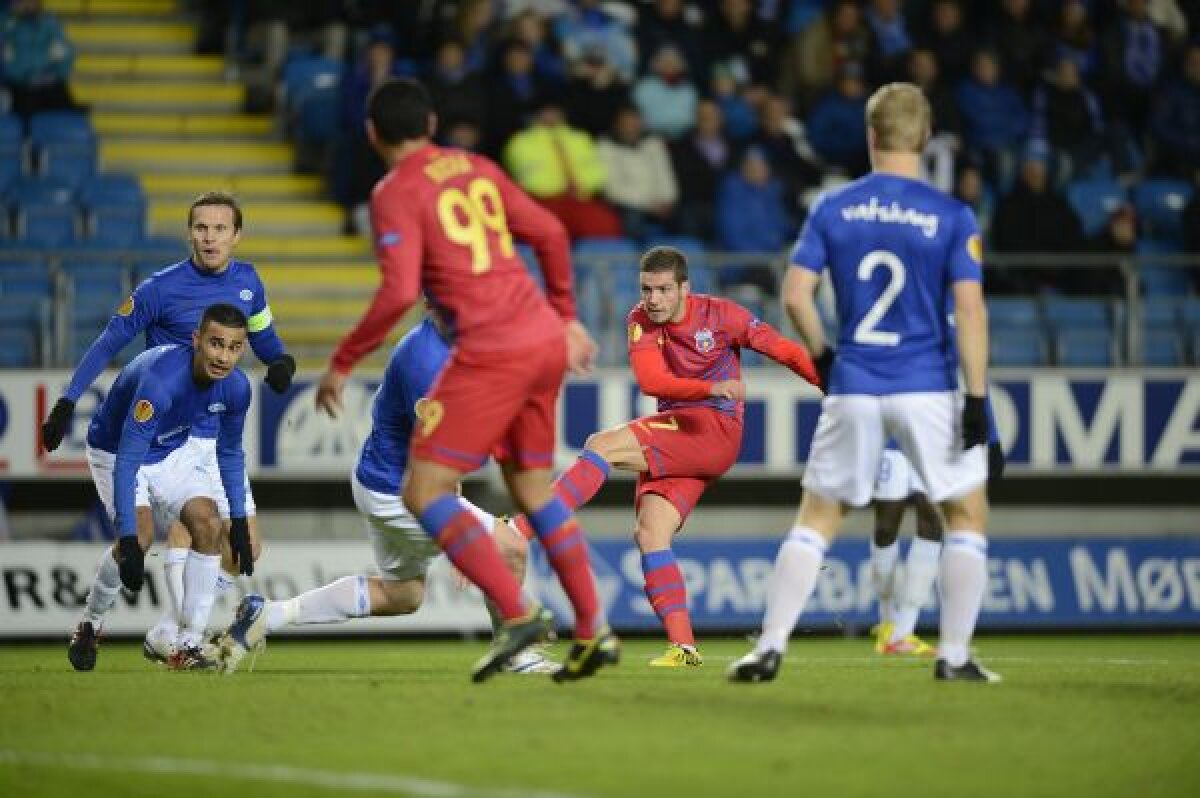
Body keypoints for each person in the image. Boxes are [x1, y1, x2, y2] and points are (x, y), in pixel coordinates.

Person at [311, 78, 615, 683]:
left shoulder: (395, 191)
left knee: (424, 492)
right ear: (430, 125)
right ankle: (593, 630)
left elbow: (400, 290)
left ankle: (519, 612)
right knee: (533, 492)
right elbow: (552, 234)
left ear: (372, 134)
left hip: (489, 348)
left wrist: (344, 360)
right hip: (542, 337)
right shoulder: (476, 167)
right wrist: (567, 317)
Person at [729, 82, 999, 684]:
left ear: (871, 136)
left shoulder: (833, 207)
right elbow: (970, 311)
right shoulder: (951, 215)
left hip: (854, 381)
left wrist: (823, 357)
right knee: (965, 514)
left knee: (817, 516)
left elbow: (795, 295)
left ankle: (768, 646)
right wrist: (977, 396)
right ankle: (955, 657)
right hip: (926, 384)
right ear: (924, 137)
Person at [516, 245, 821, 666]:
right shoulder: (639, 320)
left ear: (684, 289)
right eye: (646, 289)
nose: (653, 299)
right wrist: (709, 387)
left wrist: (831, 384)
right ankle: (684, 647)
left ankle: (521, 530)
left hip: (713, 429)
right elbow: (651, 381)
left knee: (601, 445)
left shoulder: (721, 315)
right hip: (679, 432)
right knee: (650, 534)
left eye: (663, 290)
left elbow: (783, 349)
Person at [216, 314, 555, 675]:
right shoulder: (426, 359)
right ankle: (516, 655)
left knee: (403, 595)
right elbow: (437, 454)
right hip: (400, 490)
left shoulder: (461, 342)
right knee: (509, 549)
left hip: (381, 480)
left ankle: (268, 615)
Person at [40, 191, 296, 663]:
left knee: (241, 545)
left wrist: (279, 360)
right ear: (189, 233)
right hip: (156, 430)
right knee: (154, 536)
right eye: (201, 228)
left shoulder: (248, 284)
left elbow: (261, 335)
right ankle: (113, 626)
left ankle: (171, 633)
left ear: (236, 235)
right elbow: (107, 343)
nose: (210, 237)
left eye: (220, 228)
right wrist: (67, 400)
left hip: (204, 426)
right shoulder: (159, 290)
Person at [67, 304, 255, 672]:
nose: (223, 357)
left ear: (242, 349)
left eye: (234, 347)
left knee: (209, 523)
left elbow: (230, 452)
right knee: (140, 537)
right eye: (216, 344)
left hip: (170, 448)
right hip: (116, 451)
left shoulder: (237, 388)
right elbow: (128, 461)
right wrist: (128, 539)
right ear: (196, 340)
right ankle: (90, 623)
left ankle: (188, 645)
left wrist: (239, 522)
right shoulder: (161, 382)